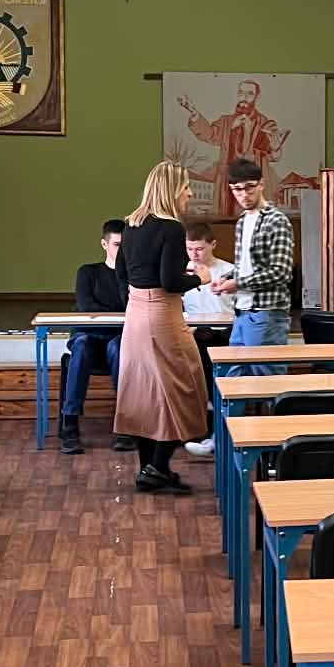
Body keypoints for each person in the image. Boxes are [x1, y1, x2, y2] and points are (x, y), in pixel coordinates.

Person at [113, 161, 208, 493]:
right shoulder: (171, 229)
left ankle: (150, 470)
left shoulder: (131, 225)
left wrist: (137, 297)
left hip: (135, 315)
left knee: (143, 392)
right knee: (185, 385)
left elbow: (120, 274)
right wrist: (199, 277)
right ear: (171, 190)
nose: (189, 193)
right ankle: (157, 466)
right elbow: (171, 282)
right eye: (185, 187)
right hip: (163, 315)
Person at [59, 218, 132, 456]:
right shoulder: (88, 272)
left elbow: (133, 308)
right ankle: (70, 425)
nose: (123, 251)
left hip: (117, 340)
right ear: (104, 244)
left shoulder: (133, 277)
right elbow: (86, 306)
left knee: (118, 347)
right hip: (90, 337)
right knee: (81, 346)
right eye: (118, 245)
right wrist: (117, 313)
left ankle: (125, 424)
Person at [217, 156, 296, 374]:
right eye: (237, 189)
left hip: (266, 312)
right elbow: (244, 265)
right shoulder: (243, 220)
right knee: (233, 378)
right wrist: (225, 278)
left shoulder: (277, 221)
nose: (244, 194)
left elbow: (281, 272)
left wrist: (237, 284)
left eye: (249, 187)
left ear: (261, 184)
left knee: (266, 380)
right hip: (242, 311)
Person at [178, 79, 290, 214]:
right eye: (241, 93)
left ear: (257, 97)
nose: (244, 97)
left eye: (249, 94)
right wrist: (194, 113)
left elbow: (272, 156)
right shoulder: (226, 121)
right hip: (227, 185)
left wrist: (276, 148)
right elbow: (209, 134)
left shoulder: (265, 123)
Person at [181, 218, 234, 460]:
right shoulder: (182, 273)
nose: (194, 254)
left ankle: (216, 434)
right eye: (190, 249)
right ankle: (203, 431)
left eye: (200, 249)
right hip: (193, 336)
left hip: (225, 335)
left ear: (212, 244)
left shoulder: (229, 271)